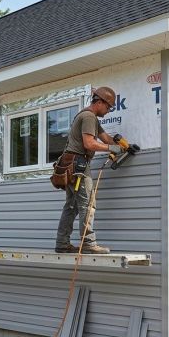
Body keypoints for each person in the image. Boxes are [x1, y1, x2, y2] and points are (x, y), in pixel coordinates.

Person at [54, 86, 125, 254]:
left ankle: (62, 243)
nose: (108, 111)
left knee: (71, 206)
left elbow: (105, 137)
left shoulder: (88, 116)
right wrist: (110, 148)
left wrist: (122, 146)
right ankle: (88, 243)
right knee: (88, 204)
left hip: (69, 165)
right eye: (108, 107)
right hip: (78, 166)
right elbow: (89, 144)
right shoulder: (89, 117)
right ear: (99, 102)